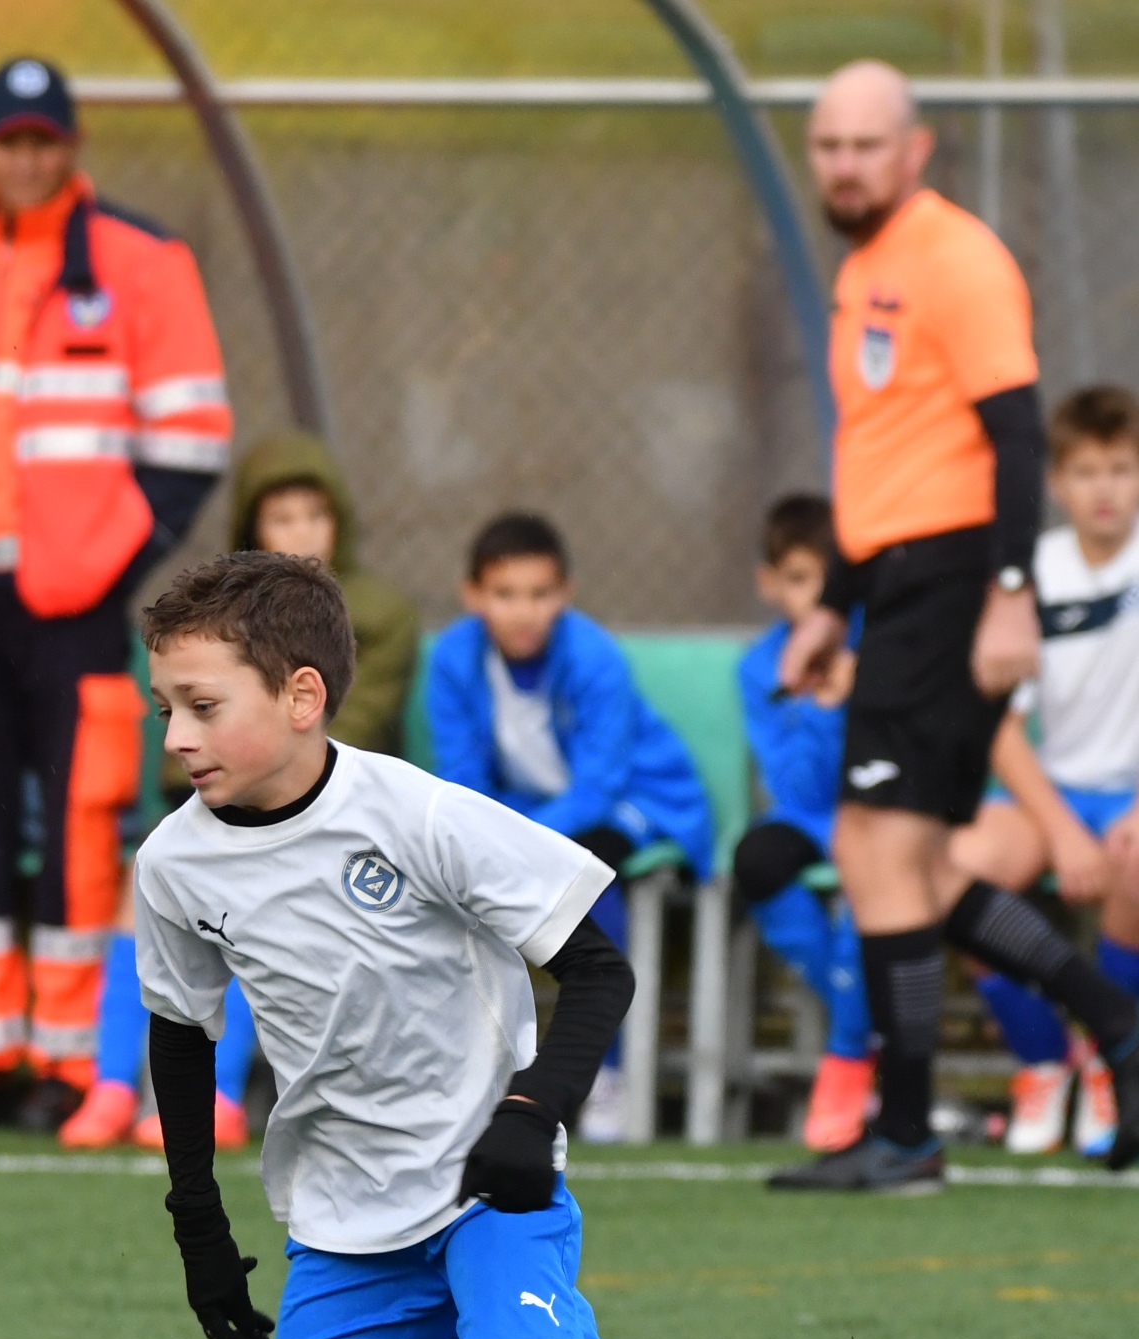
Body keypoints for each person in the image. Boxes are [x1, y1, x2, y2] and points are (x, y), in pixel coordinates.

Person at [129, 550, 804, 1339]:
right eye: (163, 706)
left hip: (494, 1198)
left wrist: (529, 1110)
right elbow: (182, 1037)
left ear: (301, 694)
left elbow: (599, 967)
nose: (177, 734)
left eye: (202, 704)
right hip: (340, 1219)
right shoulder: (175, 866)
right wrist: (195, 1226)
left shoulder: (419, 815)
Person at [771, 60, 1139, 1189]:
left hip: (955, 578)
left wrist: (1008, 596)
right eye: (828, 146)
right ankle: (1116, 1028)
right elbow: (877, 459)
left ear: (914, 149)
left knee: (877, 844)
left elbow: (1016, 437)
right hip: (900, 584)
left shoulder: (957, 257)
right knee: (911, 860)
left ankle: (909, 1131)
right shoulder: (865, 271)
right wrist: (834, 603)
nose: (843, 165)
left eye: (865, 145)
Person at [0, 54, 230, 1135]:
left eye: (44, 140)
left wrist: (112, 559)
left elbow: (191, 437)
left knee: (78, 824)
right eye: (8, 139)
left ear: (71, 148)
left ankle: (70, 1063)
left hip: (72, 601)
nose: (26, 157)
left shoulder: (141, 262)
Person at [68, 429, 416, 1149]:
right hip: (223, 802)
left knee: (246, 904)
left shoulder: (378, 614)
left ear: (338, 522)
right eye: (281, 519)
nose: (300, 534)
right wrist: (191, 793)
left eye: (313, 517)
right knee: (141, 890)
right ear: (253, 528)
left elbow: (358, 719)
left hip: (330, 813)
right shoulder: (216, 620)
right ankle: (108, 1085)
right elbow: (188, 716)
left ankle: (214, 1096)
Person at [426, 513, 713, 1142]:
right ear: (472, 595)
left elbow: (599, 786)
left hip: (637, 803)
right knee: (449, 886)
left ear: (566, 593)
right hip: (530, 813)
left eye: (539, 593)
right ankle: (468, 1073)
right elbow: (462, 775)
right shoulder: (451, 659)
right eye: (505, 594)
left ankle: (604, 1074)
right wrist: (494, 836)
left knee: (589, 882)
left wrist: (515, 837)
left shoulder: (594, 656)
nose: (523, 611)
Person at [951, 382, 1139, 1156]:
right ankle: (1043, 1062)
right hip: (1044, 795)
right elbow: (1000, 729)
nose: (1106, 489)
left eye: (1123, 469)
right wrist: (1062, 831)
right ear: (1057, 482)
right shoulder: (1026, 574)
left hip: (1130, 801)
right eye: (1088, 471)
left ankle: (1110, 1059)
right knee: (952, 871)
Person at [733, 494, 875, 1153]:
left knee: (871, 878)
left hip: (880, 814)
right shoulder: (759, 668)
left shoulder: (881, 643)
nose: (809, 596)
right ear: (768, 583)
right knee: (757, 859)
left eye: (822, 578)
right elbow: (795, 786)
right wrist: (822, 709)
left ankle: (853, 1049)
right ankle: (868, 1017)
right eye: (793, 578)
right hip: (811, 815)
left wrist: (856, 689)